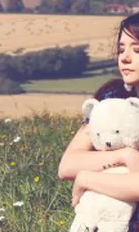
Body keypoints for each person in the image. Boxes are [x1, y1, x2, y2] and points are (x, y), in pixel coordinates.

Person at [58, 12, 139, 231]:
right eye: (121, 49)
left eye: (137, 50)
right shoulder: (110, 98)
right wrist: (123, 156)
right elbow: (67, 165)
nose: (125, 57)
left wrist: (87, 178)